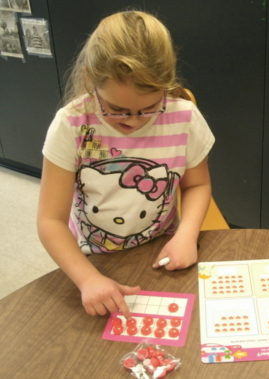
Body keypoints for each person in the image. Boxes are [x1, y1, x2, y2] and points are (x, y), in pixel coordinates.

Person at [37, 10, 215, 319]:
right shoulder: (71, 125)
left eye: (149, 109)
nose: (132, 122)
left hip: (160, 247)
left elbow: (198, 184)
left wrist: (186, 234)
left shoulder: (184, 117)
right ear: (91, 79)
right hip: (92, 260)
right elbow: (50, 221)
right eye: (117, 110)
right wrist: (88, 278)